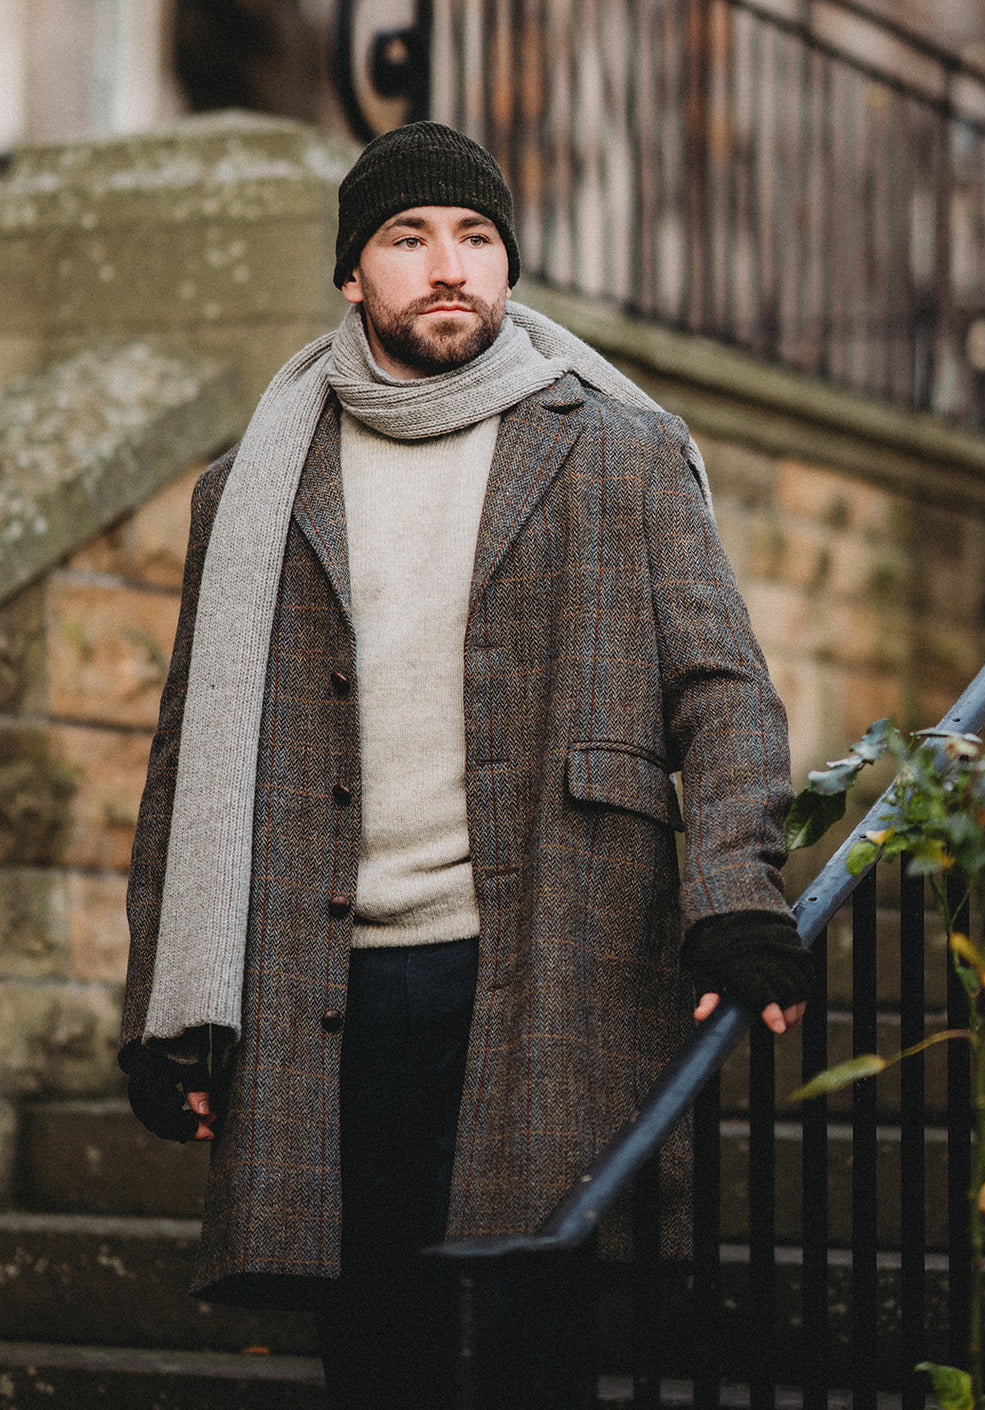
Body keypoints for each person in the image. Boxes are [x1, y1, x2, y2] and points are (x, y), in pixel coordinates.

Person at [119, 121, 813, 1409]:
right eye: (409, 238)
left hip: (555, 955)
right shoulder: (256, 487)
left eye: (477, 238)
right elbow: (184, 759)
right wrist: (161, 1009)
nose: (449, 267)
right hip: (323, 984)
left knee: (533, 1335)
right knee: (374, 1346)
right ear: (351, 276)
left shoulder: (619, 449)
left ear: (507, 262)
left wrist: (736, 895)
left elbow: (722, 695)